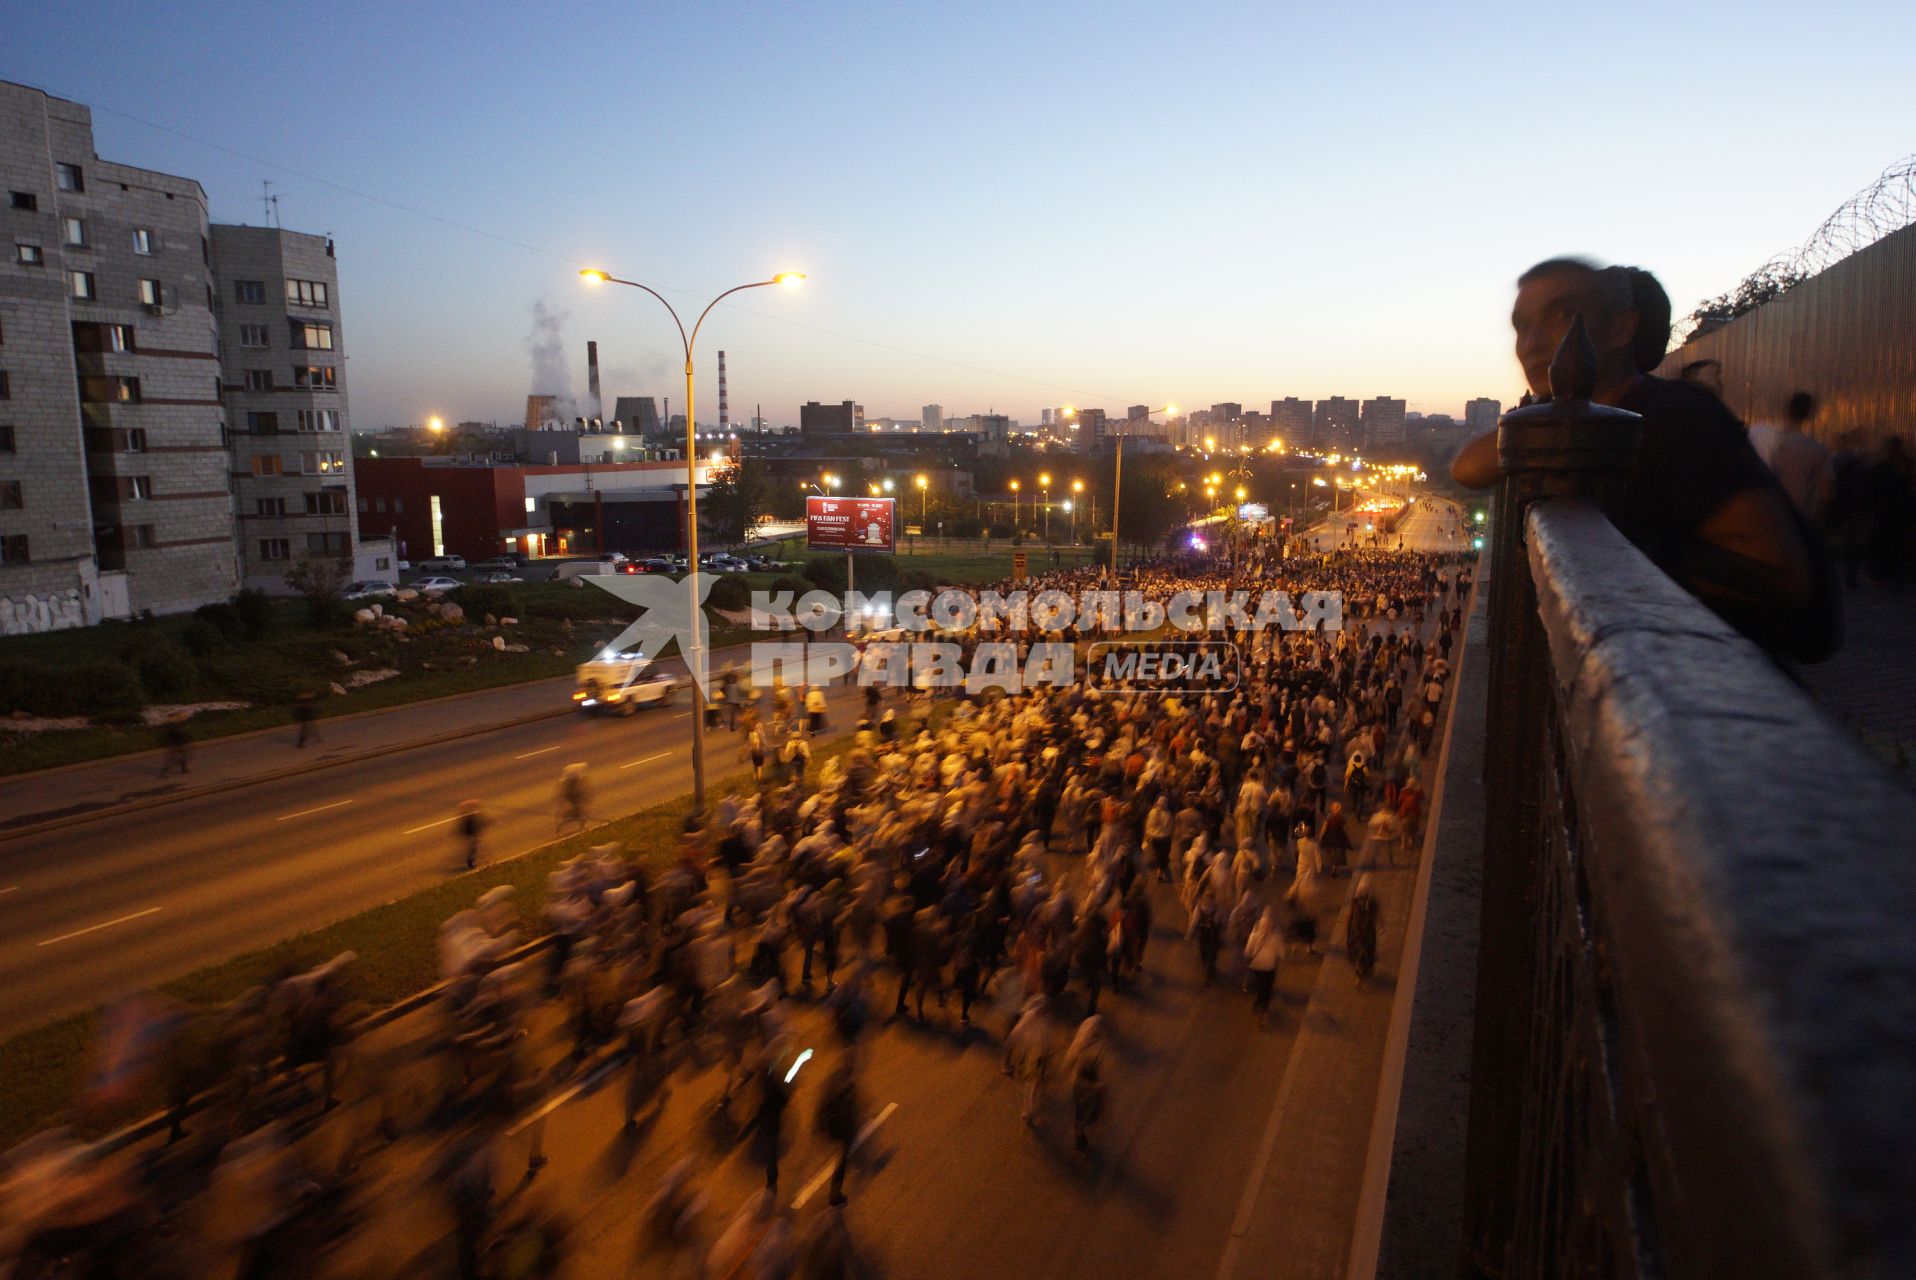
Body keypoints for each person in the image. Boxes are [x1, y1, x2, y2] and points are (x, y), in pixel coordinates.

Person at [1451, 257, 1819, 658]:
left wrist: (1623, 551)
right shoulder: (1569, 417)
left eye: (1561, 315)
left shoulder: (1677, 415)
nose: (1532, 342)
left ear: (1620, 326)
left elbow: (1787, 579)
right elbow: (1467, 468)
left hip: (1705, 671)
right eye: (1522, 326)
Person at [1063, 1015, 1108, 1153]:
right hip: (1083, 1083)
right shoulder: (1091, 1048)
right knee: (1084, 1110)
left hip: (1081, 1082)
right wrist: (1097, 1087)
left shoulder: (1082, 1042)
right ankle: (1080, 1134)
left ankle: (1079, 1132)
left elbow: (1069, 1060)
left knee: (1080, 1110)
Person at [1245, 906, 1283, 1015]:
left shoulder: (1254, 935)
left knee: (1259, 984)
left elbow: (1247, 951)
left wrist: (1249, 957)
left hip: (1256, 965)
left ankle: (1258, 1003)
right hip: (1270, 966)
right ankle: (1264, 1005)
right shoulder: (1276, 936)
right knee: (1267, 986)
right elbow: (1281, 952)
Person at [1347, 874, 1381, 985]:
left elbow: (1350, 916)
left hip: (1362, 933)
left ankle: (1362, 976)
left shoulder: (1360, 903)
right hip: (1361, 933)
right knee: (1362, 954)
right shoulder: (1364, 903)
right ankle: (1362, 975)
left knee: (1363, 954)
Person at [457, 798, 485, 870]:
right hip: (471, 834)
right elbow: (474, 825)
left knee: (472, 847)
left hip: (470, 833)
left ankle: (471, 860)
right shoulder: (471, 816)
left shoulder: (469, 815)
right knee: (473, 848)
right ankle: (471, 862)